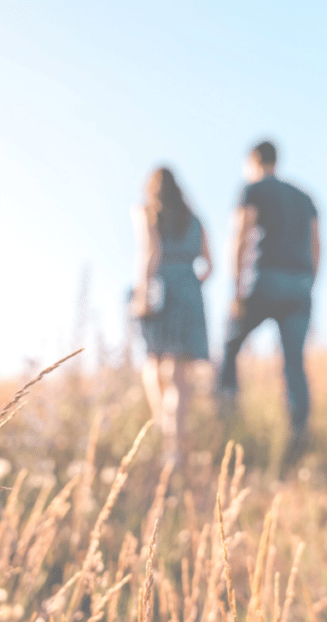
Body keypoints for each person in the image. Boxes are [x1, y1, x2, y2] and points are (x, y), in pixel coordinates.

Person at [217, 140, 320, 476]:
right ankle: (299, 434)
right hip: (301, 284)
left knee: (231, 345)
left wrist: (236, 288)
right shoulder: (305, 198)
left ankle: (227, 420)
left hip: (266, 278)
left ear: (253, 161)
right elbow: (317, 245)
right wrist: (309, 284)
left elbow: (240, 235)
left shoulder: (252, 189)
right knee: (294, 362)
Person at [131, 167, 213, 463]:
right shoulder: (195, 219)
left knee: (153, 362)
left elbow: (149, 251)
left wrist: (142, 293)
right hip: (190, 291)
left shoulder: (146, 211)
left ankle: (165, 435)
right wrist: (190, 286)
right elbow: (209, 264)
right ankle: (175, 448)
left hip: (160, 288)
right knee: (179, 375)